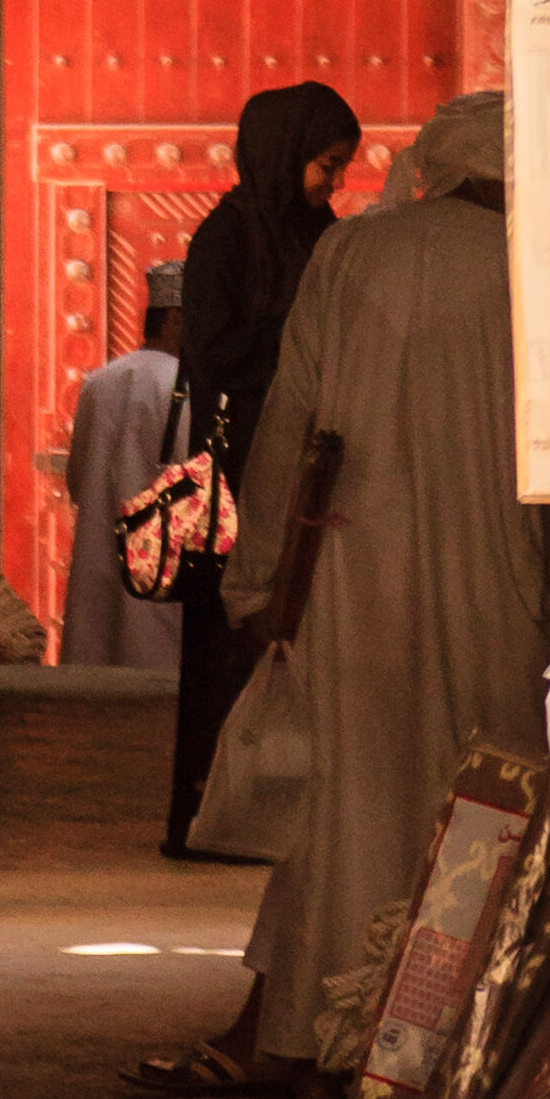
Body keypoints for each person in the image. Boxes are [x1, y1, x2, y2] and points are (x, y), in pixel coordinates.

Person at [136, 91, 550, 1099]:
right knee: (479, 811)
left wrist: (257, 579)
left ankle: (318, 1046)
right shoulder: (547, 267)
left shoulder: (351, 254)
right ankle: (412, 1059)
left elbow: (291, 425)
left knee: (348, 812)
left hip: (352, 577)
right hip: (501, 581)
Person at [166, 79, 360, 855]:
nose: (332, 182)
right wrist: (298, 335)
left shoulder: (319, 236)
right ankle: (210, 813)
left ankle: (283, 816)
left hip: (302, 471)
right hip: (239, 465)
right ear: (284, 153)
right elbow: (211, 351)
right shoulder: (224, 239)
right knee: (227, 640)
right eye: (324, 164)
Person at [59, 265, 186, 674]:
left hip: (100, 544)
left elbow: (77, 479)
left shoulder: (99, 382)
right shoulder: (185, 386)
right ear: (174, 319)